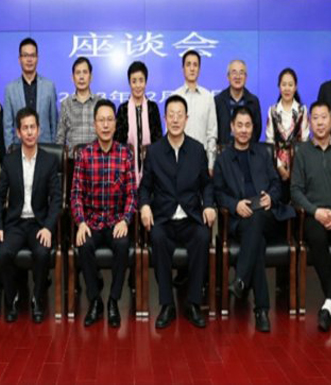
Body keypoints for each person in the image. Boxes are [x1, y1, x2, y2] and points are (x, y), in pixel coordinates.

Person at [213, 106, 295, 333]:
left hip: (268, 216)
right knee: (256, 240)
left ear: (253, 128)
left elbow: (277, 184)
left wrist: (271, 197)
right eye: (239, 125)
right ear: (231, 127)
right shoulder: (223, 159)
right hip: (241, 220)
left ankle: (241, 278)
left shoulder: (263, 153)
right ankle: (261, 310)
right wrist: (235, 205)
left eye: (247, 125)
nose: (243, 130)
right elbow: (218, 193)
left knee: (258, 218)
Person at [139, 95, 216, 330]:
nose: (175, 120)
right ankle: (167, 304)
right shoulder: (154, 151)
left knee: (203, 236)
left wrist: (209, 205)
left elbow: (207, 185)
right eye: (170, 115)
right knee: (158, 238)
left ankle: (193, 303)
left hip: (190, 217)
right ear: (165, 119)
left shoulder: (197, 150)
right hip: (164, 217)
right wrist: (144, 205)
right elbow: (145, 187)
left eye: (179, 115)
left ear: (186, 119)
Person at [290, 100, 331, 332]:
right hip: (314, 215)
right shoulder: (302, 151)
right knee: (317, 239)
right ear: (310, 122)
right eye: (315, 118)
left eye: (324, 117)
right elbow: (295, 191)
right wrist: (315, 211)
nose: (320, 123)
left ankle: (328, 305)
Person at [71, 99, 137, 328]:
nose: (106, 125)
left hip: (116, 221)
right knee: (84, 244)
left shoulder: (125, 154)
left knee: (122, 245)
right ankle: (95, 300)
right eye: (101, 120)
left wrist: (126, 220)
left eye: (110, 120)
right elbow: (76, 195)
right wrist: (80, 222)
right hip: (91, 222)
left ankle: (113, 301)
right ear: (95, 124)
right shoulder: (84, 154)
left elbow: (132, 194)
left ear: (115, 124)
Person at [0, 107, 62, 323]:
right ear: (18, 132)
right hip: (15, 223)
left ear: (39, 130)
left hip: (39, 223)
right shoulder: (10, 161)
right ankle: (12, 297)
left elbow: (56, 199)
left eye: (33, 127)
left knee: (42, 253)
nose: (30, 132)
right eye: (25, 128)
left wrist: (48, 227)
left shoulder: (49, 161)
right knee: (2, 253)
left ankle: (37, 299)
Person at [3, 37, 58, 150]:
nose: (29, 59)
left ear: (37, 58)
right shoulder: (10, 89)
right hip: (19, 150)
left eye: (32, 55)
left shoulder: (49, 86)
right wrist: (10, 150)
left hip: (45, 148)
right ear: (19, 59)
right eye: (25, 55)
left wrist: (52, 149)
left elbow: (54, 122)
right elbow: (7, 126)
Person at [114, 60, 163, 185]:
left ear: (146, 82)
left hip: (151, 166)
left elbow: (158, 139)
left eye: (141, 80)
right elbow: (118, 141)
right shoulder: (123, 109)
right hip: (127, 167)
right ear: (129, 83)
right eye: (134, 81)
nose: (138, 85)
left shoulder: (153, 107)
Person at [173, 50, 218, 172]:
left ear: (199, 69)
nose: (192, 69)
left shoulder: (208, 97)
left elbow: (212, 133)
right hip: (178, 160)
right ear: (183, 69)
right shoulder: (175, 96)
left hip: (201, 161)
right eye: (188, 65)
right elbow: (169, 132)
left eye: (195, 65)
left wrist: (211, 164)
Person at [265, 68, 309, 182]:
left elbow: (305, 141)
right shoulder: (272, 110)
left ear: (295, 87)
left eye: (290, 84)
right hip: (276, 167)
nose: (287, 88)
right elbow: (269, 142)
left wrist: (294, 166)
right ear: (279, 87)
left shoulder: (302, 110)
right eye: (284, 84)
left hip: (299, 166)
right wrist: (279, 166)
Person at [214, 59, 262, 146]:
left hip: (247, 151)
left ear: (246, 77)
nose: (238, 76)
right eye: (234, 72)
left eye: (241, 73)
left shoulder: (253, 101)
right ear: (228, 77)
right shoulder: (218, 101)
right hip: (224, 151)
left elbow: (257, 130)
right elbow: (214, 130)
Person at [56, 57, 99, 152]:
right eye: (78, 73)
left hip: (96, 158)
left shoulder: (99, 103)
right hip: (72, 158)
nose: (81, 77)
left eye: (85, 72)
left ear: (91, 77)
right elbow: (60, 138)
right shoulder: (66, 104)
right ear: (72, 78)